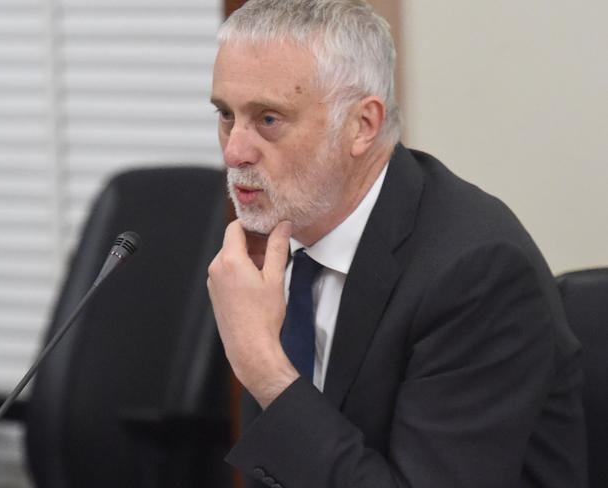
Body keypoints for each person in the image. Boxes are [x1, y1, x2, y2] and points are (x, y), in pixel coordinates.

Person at [206, 1, 587, 486]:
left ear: (362, 125)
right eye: (225, 114)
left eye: (268, 120)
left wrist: (264, 369)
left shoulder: (476, 272)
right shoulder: (277, 239)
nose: (234, 150)